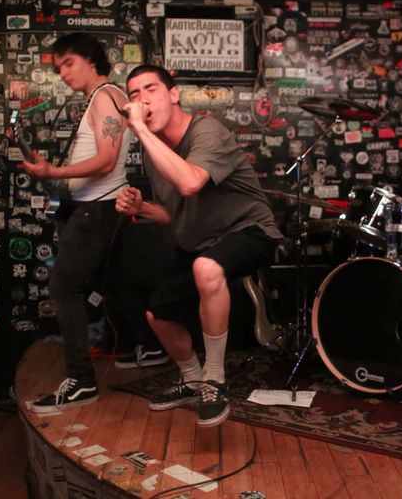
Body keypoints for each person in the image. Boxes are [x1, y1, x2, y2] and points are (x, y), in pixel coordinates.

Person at [115, 65, 282, 427]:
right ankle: (192, 379)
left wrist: (139, 129)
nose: (142, 100)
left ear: (174, 95)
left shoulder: (206, 130)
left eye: (151, 89)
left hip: (249, 229)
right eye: (134, 94)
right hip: (203, 241)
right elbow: (175, 212)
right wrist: (142, 208)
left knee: (206, 268)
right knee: (158, 316)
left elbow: (191, 183)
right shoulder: (154, 150)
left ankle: (214, 380)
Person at [22, 33, 166, 413]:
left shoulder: (105, 96)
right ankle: (150, 345)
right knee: (111, 281)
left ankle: (81, 381)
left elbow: (105, 161)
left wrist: (53, 172)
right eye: (59, 68)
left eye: (68, 63)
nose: (63, 73)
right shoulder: (103, 97)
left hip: (98, 209)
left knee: (63, 287)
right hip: (96, 207)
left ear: (91, 59)